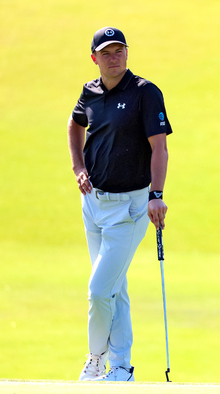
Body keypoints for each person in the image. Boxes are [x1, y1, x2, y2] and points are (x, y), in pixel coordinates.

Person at [67, 26, 172, 382]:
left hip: (130, 207)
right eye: (107, 53)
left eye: (120, 51)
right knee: (115, 287)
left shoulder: (145, 93)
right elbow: (74, 125)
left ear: (127, 54)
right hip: (93, 205)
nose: (115, 58)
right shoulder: (90, 92)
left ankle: (95, 359)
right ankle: (122, 367)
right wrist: (78, 167)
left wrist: (156, 195)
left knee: (99, 291)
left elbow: (160, 147)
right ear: (95, 58)